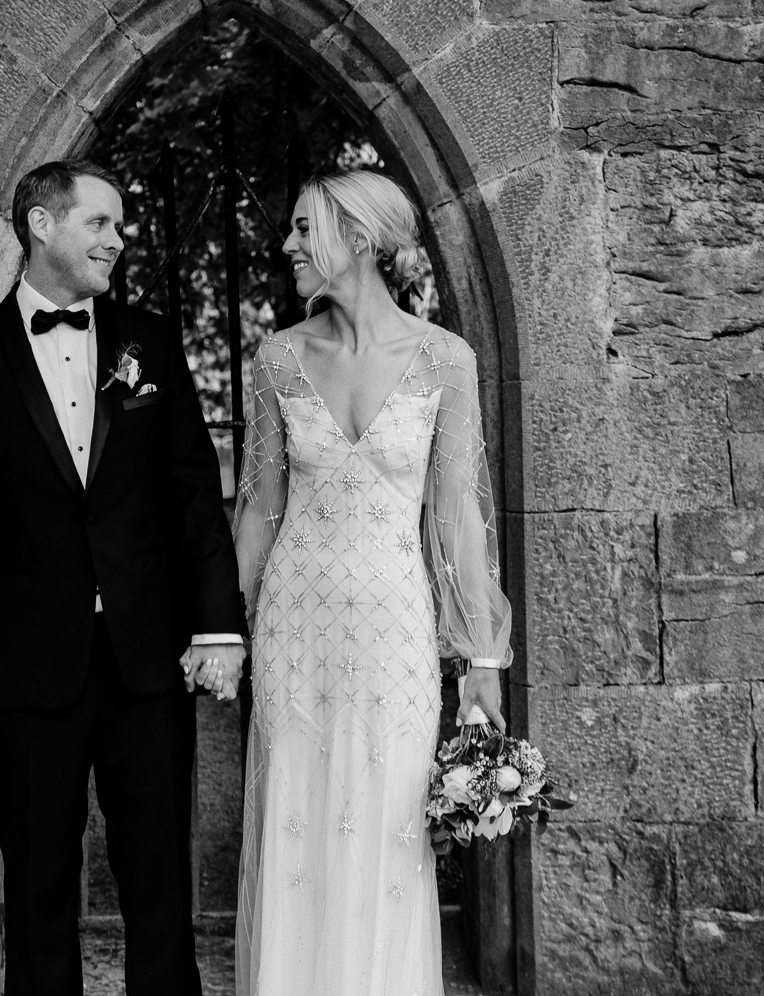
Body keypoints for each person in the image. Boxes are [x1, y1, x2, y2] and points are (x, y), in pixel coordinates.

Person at [0, 159, 248, 996]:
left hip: (147, 665)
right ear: (42, 225)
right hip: (23, 670)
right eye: (100, 223)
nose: (117, 239)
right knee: (37, 895)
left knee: (162, 894)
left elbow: (194, 499)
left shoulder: (151, 344)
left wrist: (218, 626)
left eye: (122, 226)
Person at [232, 169, 513, 996]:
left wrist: (481, 659)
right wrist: (218, 629)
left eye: (301, 227)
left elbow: (459, 516)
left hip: (395, 631)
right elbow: (259, 510)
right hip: (294, 625)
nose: (286, 245)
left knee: (389, 831)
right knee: (297, 823)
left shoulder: (445, 360)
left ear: (356, 238)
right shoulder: (278, 356)